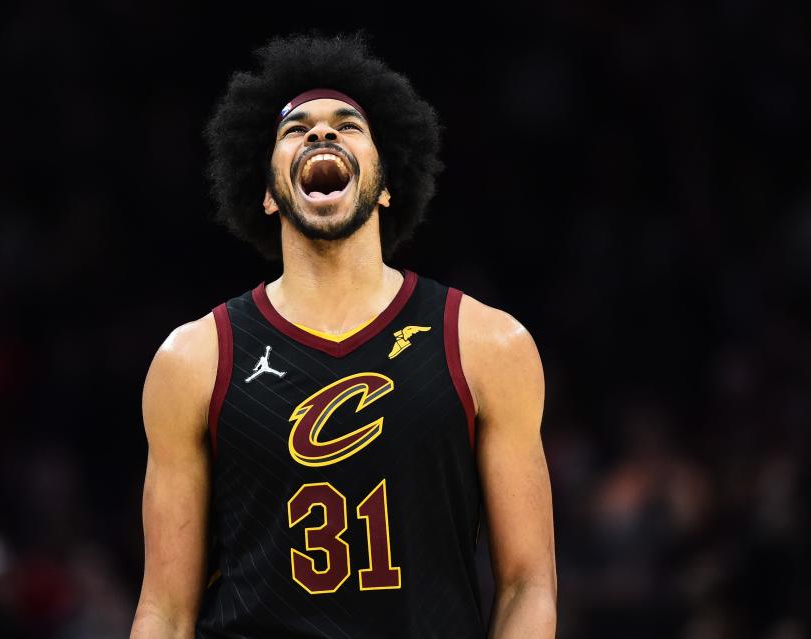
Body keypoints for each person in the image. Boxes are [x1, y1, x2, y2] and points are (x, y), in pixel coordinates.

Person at [130, 29, 556, 639]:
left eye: (348, 125)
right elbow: (164, 611)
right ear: (270, 196)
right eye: (294, 128)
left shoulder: (486, 344)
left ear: (385, 184)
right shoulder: (194, 359)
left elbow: (527, 586)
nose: (321, 133)